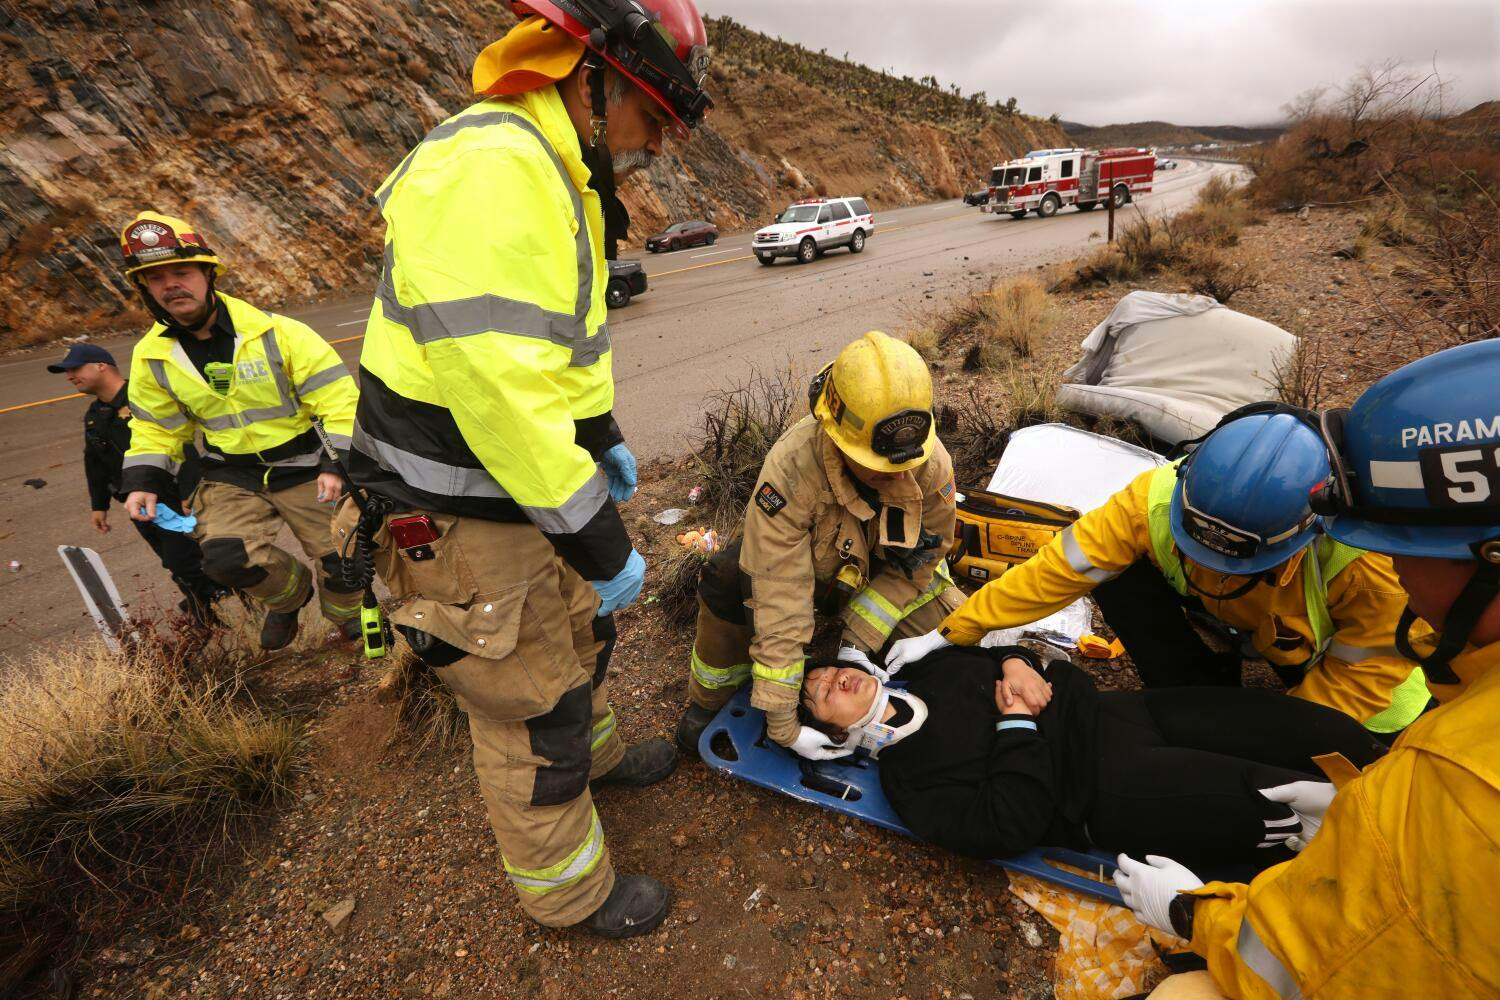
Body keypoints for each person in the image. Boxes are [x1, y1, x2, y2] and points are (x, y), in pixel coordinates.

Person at [342, 0, 712, 939]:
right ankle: (569, 898)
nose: (660, 147)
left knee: (576, 645)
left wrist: (600, 430)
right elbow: (499, 384)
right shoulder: (495, 166)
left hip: (515, 486)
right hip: (459, 501)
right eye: (655, 117)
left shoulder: (557, 170)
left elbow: (557, 355)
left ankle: (594, 765)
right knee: (526, 703)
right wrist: (594, 530)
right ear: (594, 75)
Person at [1114, 339, 1500, 999]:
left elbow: (1307, 960)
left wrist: (1187, 909)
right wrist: (1357, 807)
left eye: (1401, 547)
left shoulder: (1459, 783)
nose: (1398, 572)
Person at [888, 412, 1432, 741]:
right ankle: (1200, 690)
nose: (1210, 571)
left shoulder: (1370, 565)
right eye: (1198, 551)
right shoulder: (1155, 499)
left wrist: (1271, 742)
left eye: (1233, 564)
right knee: (1114, 576)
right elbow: (1056, 570)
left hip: (1334, 673)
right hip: (1251, 628)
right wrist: (953, 630)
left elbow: (1363, 675)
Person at [797, 646, 1386, 870]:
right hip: (1104, 788)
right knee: (1285, 798)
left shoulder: (926, 670)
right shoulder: (912, 783)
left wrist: (1016, 665)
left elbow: (1003, 650)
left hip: (1118, 712)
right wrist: (1017, 726)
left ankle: (1423, 779)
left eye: (832, 669)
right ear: (834, 737)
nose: (834, 679)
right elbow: (1009, 824)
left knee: (1323, 733)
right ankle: (1411, 852)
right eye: (821, 693)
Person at [674, 331, 965, 760]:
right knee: (727, 576)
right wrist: (781, 722)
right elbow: (779, 593)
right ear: (836, 434)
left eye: (904, 464)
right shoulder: (792, 469)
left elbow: (918, 564)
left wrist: (856, 642)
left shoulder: (929, 465)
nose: (895, 477)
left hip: (880, 575)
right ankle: (711, 699)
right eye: (876, 465)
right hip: (808, 570)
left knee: (961, 642)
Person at [118, 212, 361, 650]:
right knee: (226, 559)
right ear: (145, 289)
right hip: (231, 472)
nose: (171, 284)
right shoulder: (150, 357)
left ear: (208, 275)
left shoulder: (279, 334)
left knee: (344, 557)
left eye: (182, 272)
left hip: (306, 463)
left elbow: (339, 401)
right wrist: (142, 482)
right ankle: (289, 598)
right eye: (155, 278)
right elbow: (155, 428)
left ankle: (346, 621)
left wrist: (336, 464)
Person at [48, 342, 224, 625]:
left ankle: (204, 610)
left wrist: (189, 491)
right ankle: (207, 601)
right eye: (66, 371)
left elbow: (182, 443)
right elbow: (95, 462)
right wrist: (98, 506)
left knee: (185, 560)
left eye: (75, 368)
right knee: (172, 560)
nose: (70, 376)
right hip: (137, 504)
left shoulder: (143, 397)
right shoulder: (96, 415)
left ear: (101, 365)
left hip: (170, 495)